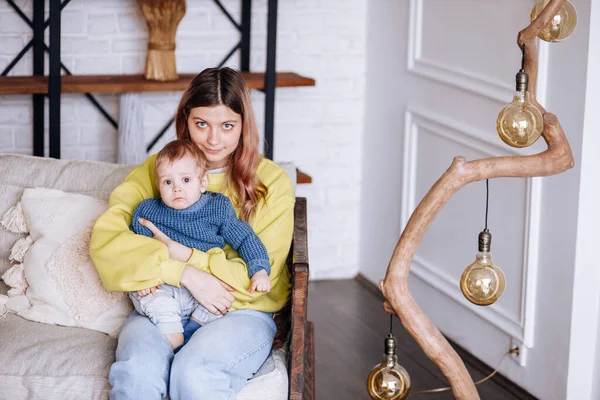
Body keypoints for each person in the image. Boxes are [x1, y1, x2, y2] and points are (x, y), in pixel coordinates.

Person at [90, 67, 295, 399]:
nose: (214, 139)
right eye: (202, 124)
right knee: (137, 373)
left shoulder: (271, 182)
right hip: (161, 302)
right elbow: (109, 243)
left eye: (227, 126)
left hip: (241, 313)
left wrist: (185, 258)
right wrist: (183, 274)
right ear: (185, 120)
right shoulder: (158, 170)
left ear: (244, 126)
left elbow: (258, 277)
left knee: (194, 373)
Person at [128, 139, 272, 350]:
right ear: (158, 184)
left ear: (203, 182)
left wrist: (259, 270)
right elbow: (137, 249)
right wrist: (144, 277)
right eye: (168, 182)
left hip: (204, 287)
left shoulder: (218, 208)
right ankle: (174, 343)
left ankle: (192, 334)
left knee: (222, 300)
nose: (177, 188)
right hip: (163, 285)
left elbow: (245, 238)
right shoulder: (148, 211)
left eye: (186, 180)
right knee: (157, 303)